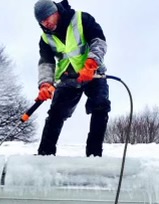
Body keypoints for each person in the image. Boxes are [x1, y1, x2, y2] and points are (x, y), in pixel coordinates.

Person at [34, 0, 111, 157]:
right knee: (56, 113)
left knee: (100, 107)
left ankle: (94, 156)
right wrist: (45, 84)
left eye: (49, 17)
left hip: (93, 73)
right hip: (68, 78)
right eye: (42, 21)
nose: (46, 23)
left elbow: (99, 41)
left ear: (56, 12)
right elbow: (46, 62)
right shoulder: (45, 39)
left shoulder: (81, 19)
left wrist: (91, 63)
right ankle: (44, 155)